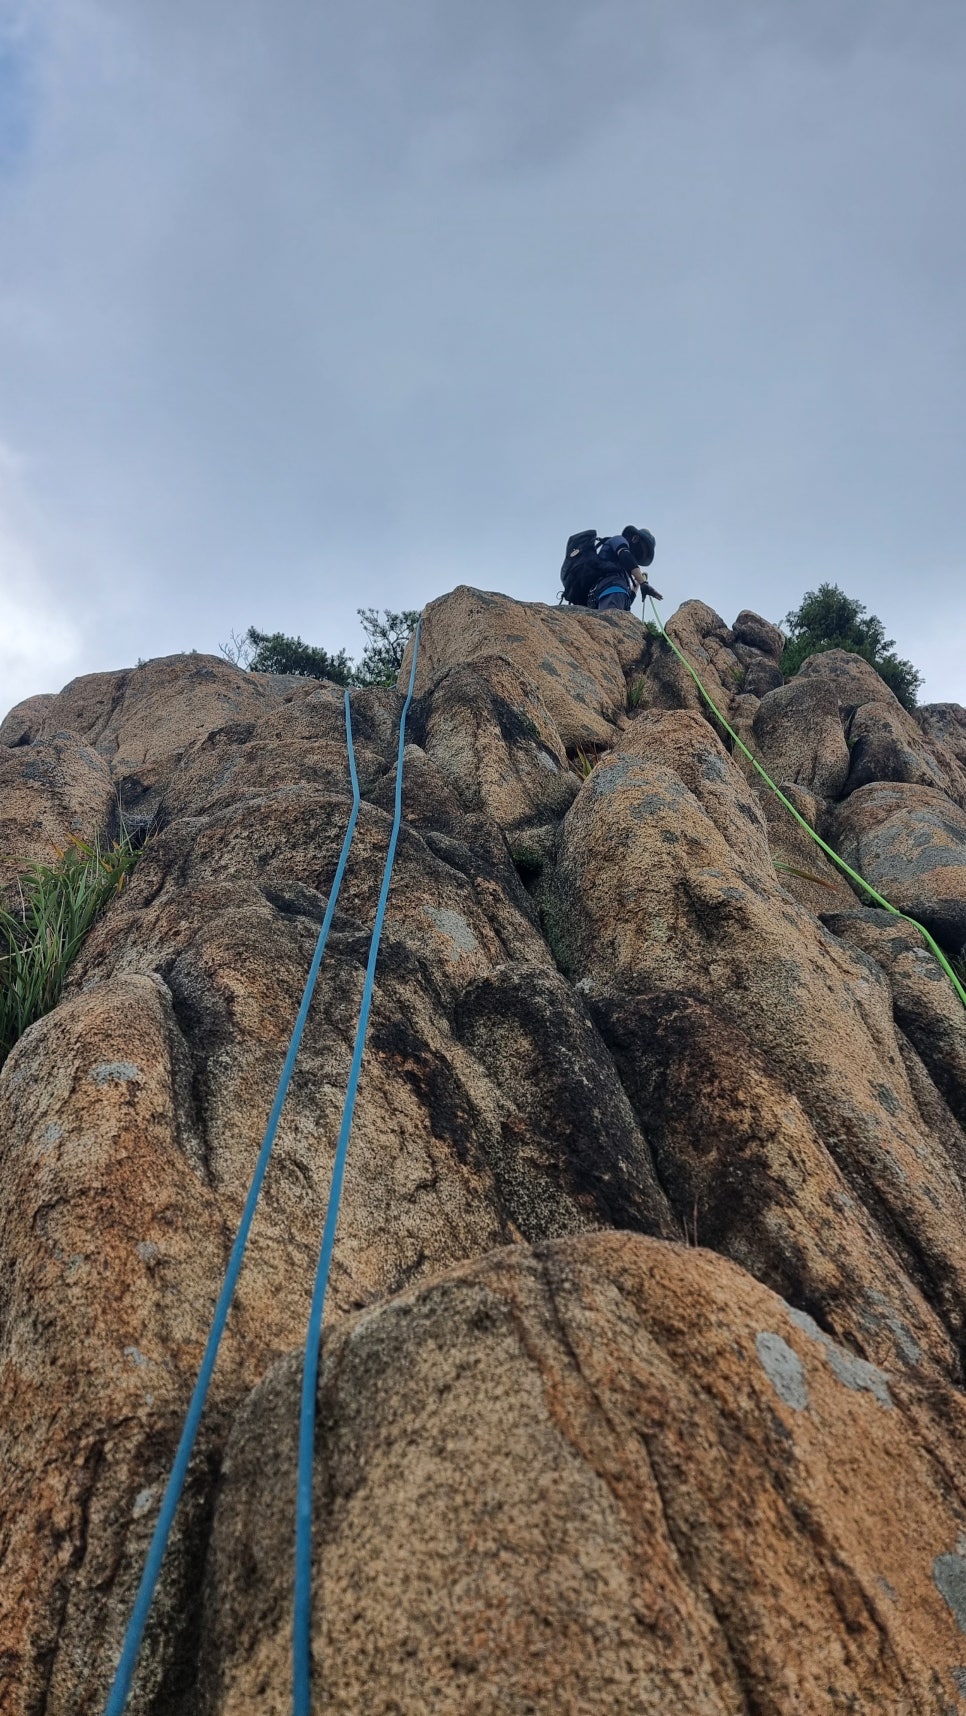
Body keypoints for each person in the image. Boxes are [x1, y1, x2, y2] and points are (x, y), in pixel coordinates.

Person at [590, 526, 662, 612]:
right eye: (642, 550)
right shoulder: (618, 540)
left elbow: (629, 593)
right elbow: (625, 556)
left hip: (615, 596)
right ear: (635, 538)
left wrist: (638, 584)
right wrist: (643, 583)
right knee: (611, 621)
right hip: (610, 590)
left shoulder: (622, 572)